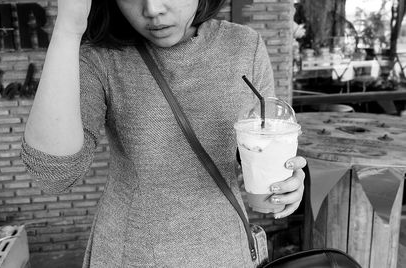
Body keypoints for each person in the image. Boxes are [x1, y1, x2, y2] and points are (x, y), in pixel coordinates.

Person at [21, 0, 307, 266]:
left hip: (226, 250)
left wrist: (283, 188)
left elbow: (258, 159)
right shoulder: (102, 59)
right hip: (132, 254)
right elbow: (53, 175)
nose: (152, 8)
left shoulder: (245, 46)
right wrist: (68, 29)